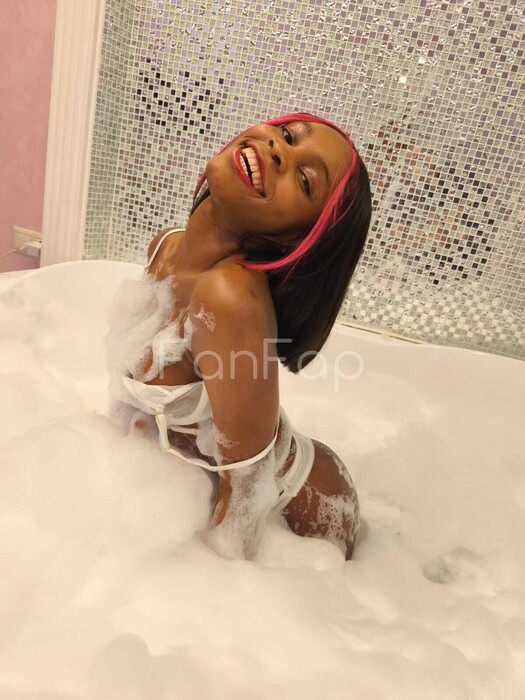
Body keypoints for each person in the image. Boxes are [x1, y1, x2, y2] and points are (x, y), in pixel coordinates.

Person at [105, 113, 372, 560]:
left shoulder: (228, 297)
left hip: (301, 510)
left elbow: (249, 489)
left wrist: (218, 586)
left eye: (304, 180)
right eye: (287, 135)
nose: (279, 151)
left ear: (296, 240)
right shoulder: (166, 246)